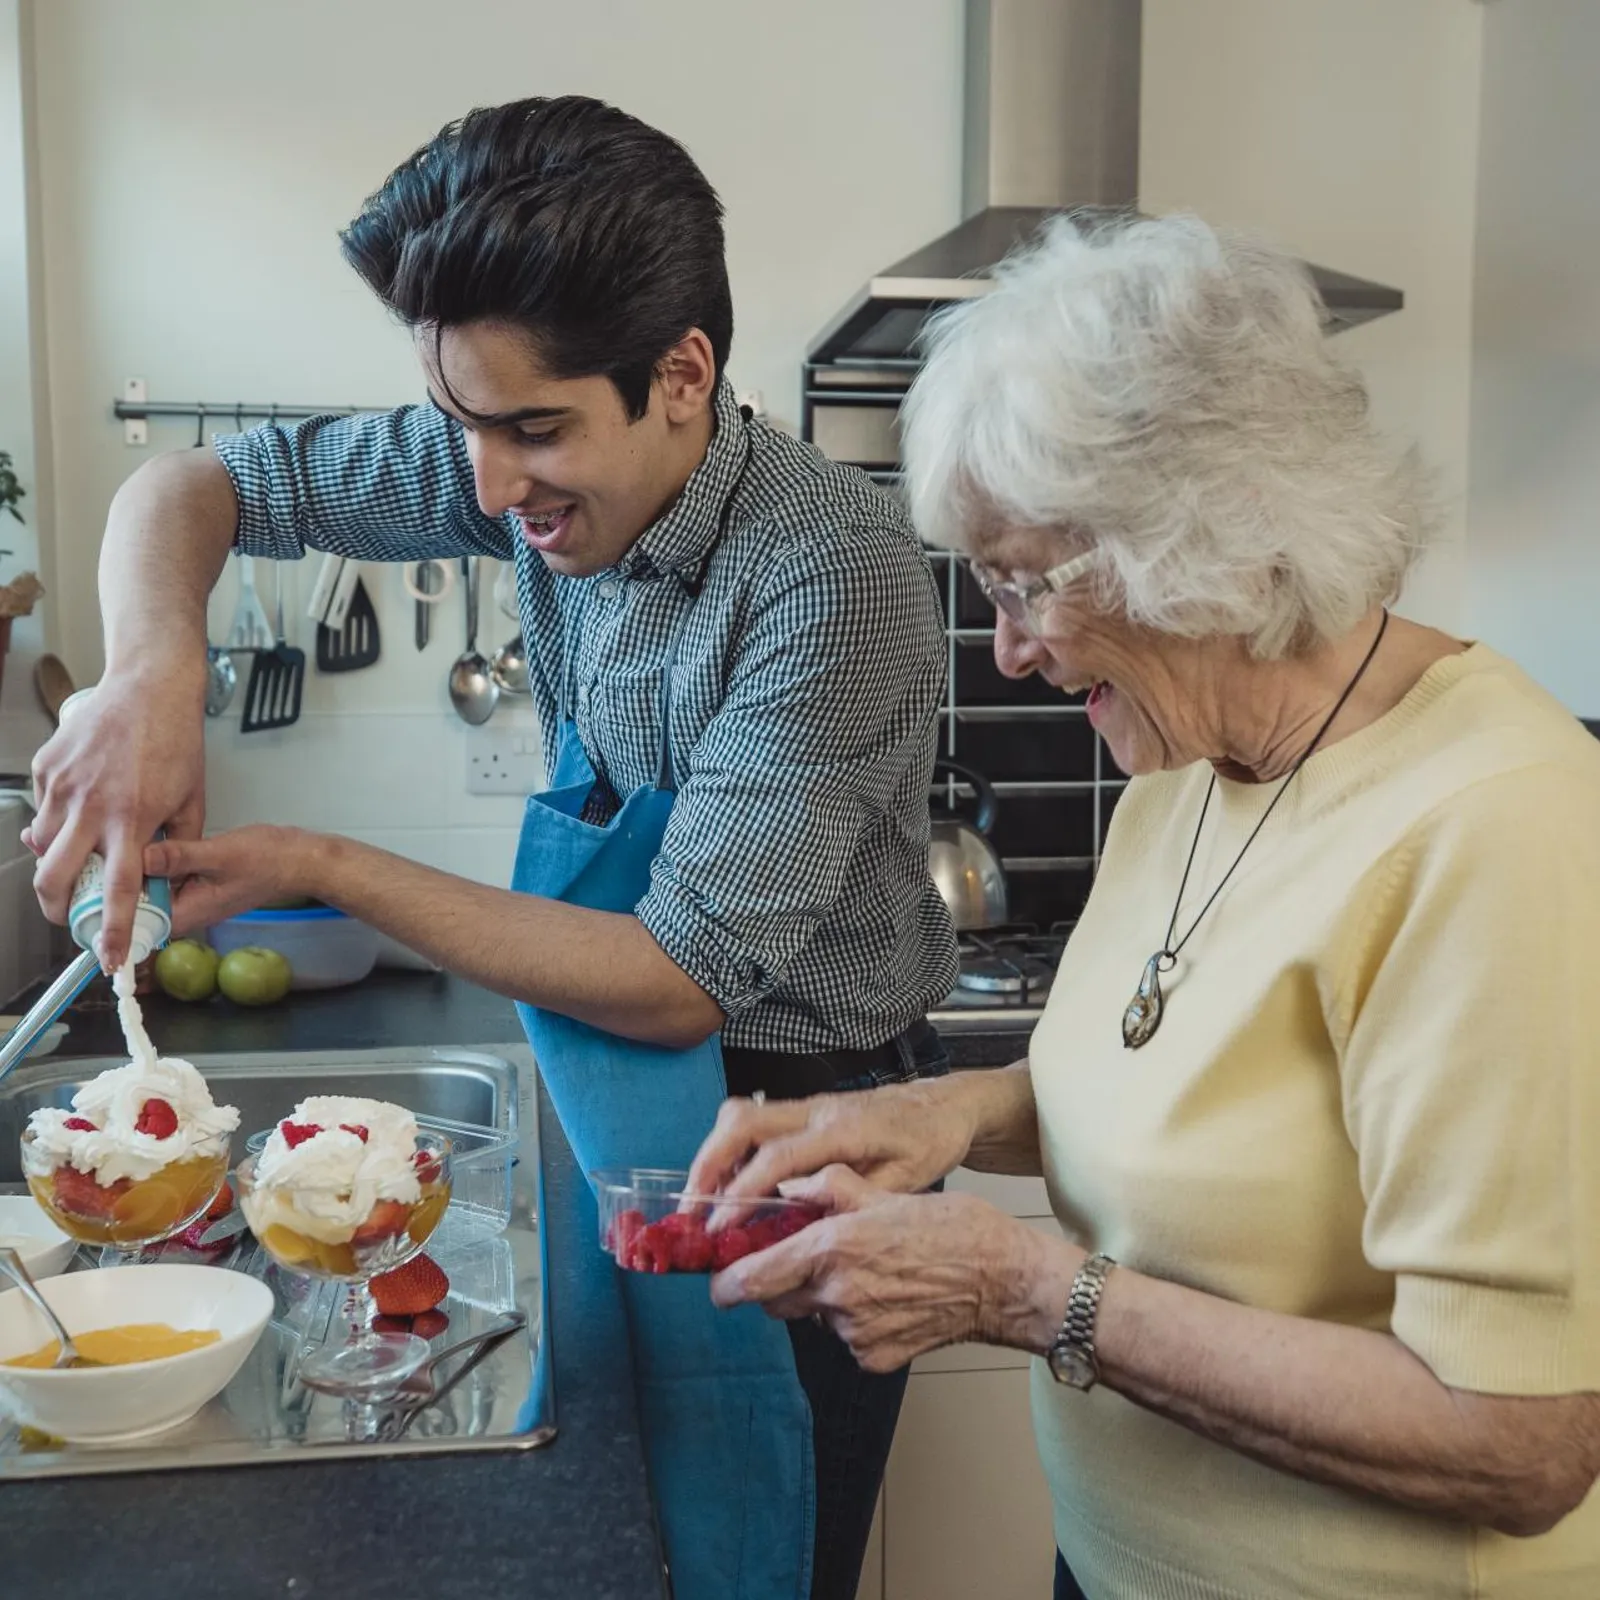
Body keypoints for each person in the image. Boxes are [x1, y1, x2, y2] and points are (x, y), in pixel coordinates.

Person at [25, 96, 957, 1600]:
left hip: (804, 1132)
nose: (486, 487)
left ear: (682, 376)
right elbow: (184, 489)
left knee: (751, 1554)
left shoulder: (827, 579)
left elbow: (672, 979)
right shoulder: (516, 457)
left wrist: (326, 863)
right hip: (612, 1085)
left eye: (533, 431)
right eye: (463, 424)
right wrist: (151, 673)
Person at [687, 214, 1600, 1599]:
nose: (1003, 649)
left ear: (1206, 533)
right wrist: (934, 1115)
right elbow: (1183, 1096)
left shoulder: (1496, 825)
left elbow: (1518, 1439)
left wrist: (1022, 1289)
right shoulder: (1185, 767)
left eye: (1023, 583)